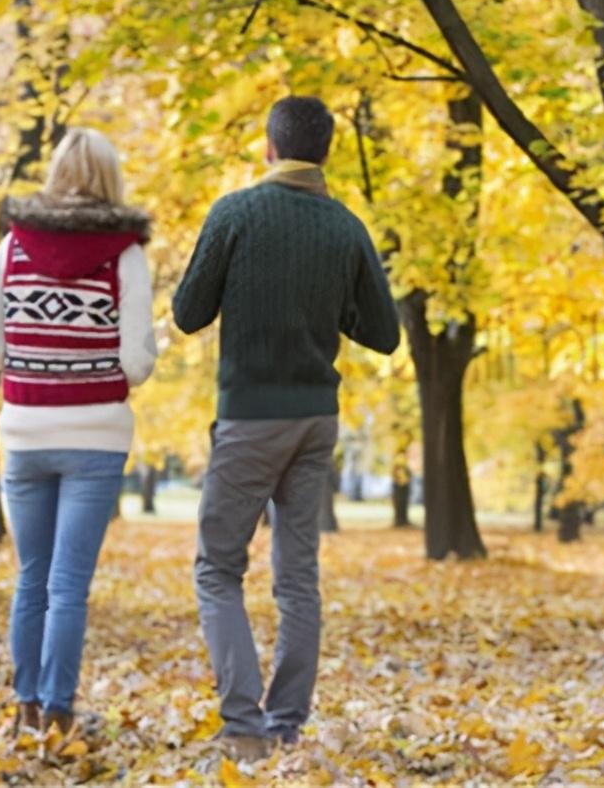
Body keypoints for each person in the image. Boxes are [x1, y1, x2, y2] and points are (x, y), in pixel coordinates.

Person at [173, 96, 399, 761]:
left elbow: (189, 313)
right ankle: (287, 724)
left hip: (250, 419)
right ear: (324, 151)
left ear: (270, 148)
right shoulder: (345, 227)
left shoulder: (235, 214)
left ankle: (244, 726)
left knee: (218, 568)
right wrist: (325, 305)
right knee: (297, 576)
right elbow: (383, 334)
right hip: (315, 421)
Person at [0, 127, 157, 737]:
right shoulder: (126, 256)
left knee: (31, 578)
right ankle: (58, 710)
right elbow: (137, 364)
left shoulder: (12, 249)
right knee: (68, 585)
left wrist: (37, 360)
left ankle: (24, 703)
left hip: (25, 432)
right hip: (96, 438)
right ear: (109, 179)